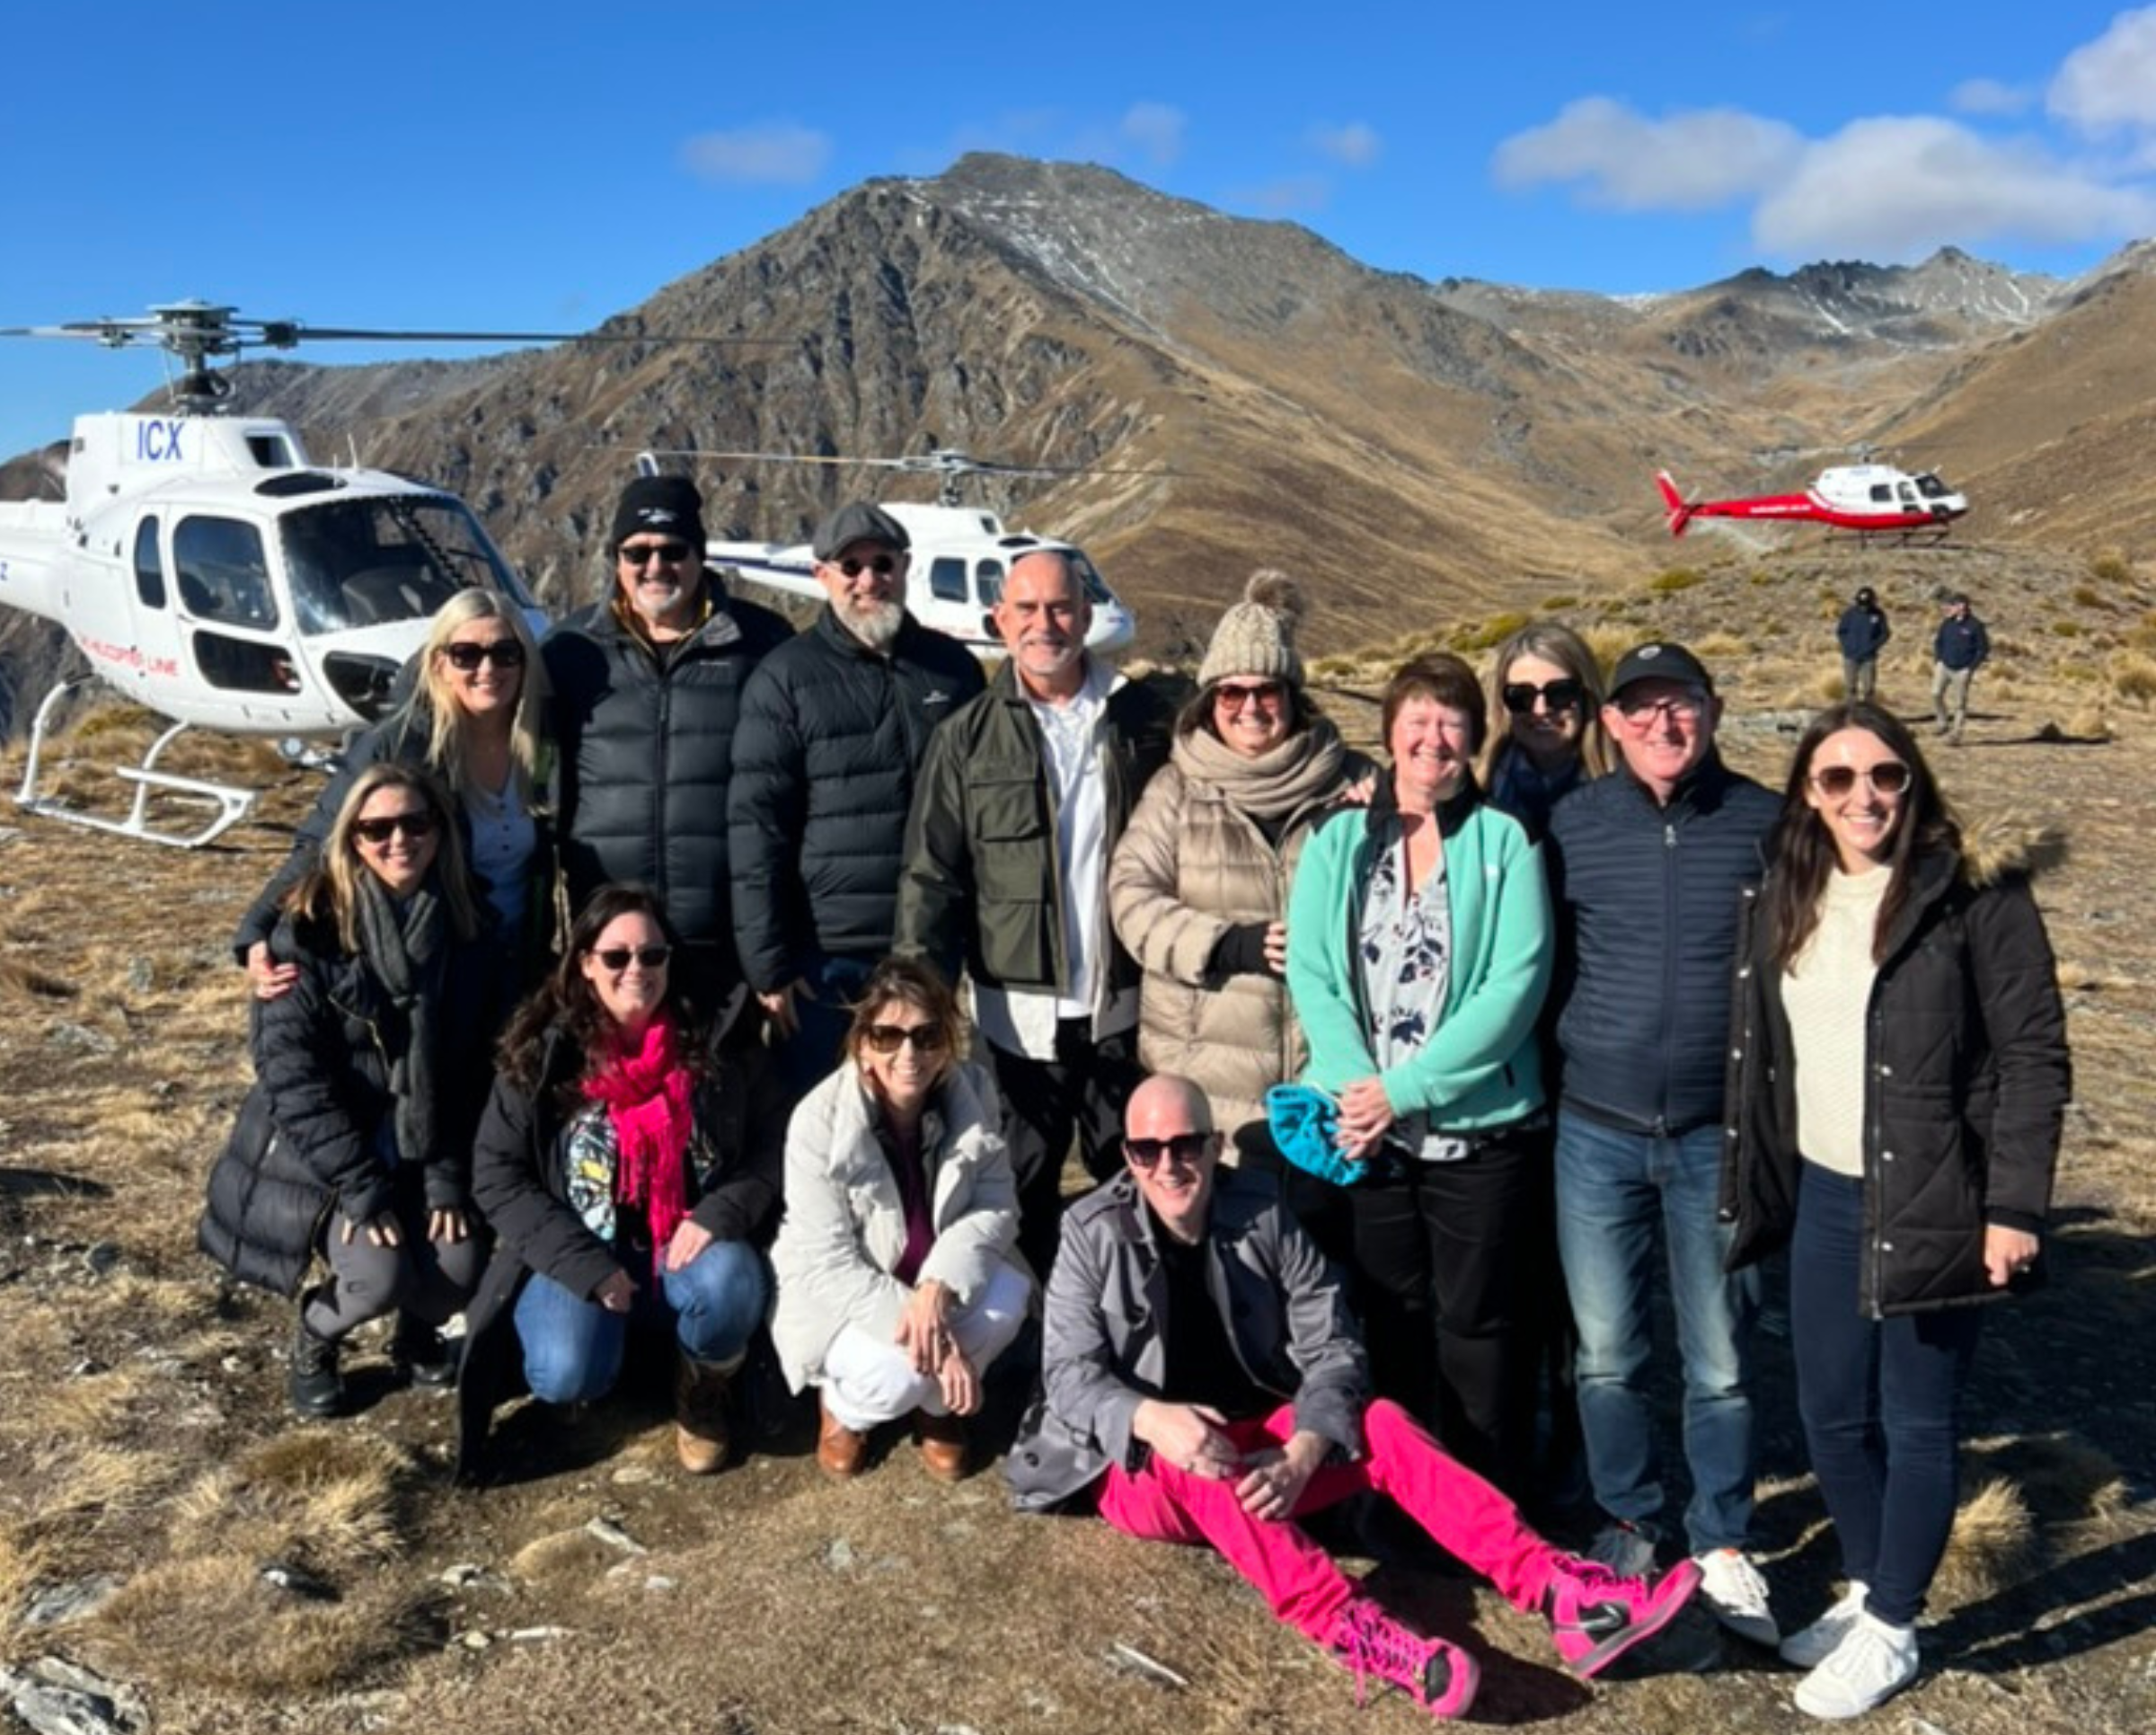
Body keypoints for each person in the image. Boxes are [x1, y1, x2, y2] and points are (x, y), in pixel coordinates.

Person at [1008, 1075, 1705, 1722]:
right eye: (1146, 1149)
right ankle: (1358, 1630)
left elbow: (1334, 1339)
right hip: (1138, 1467)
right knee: (1205, 1456)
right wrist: (1151, 1417)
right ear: (1127, 1155)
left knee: (1380, 1422)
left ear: (1213, 1145)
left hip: (1260, 1432)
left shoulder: (1262, 1209)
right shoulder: (1090, 1230)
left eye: (1185, 1144)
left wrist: (1309, 1444)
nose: (1168, 1166)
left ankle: (1559, 1591)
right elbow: (1069, 1373)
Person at [1725, 702, 2069, 1718]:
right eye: (1837, 779)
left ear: (1913, 782)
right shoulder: (1790, 890)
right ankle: (1875, 1589)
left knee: (1918, 1420)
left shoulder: (1974, 897)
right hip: (1825, 1189)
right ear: (1807, 794)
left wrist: (2015, 1206)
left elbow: (2033, 1057)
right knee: (1832, 1412)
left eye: (1885, 775)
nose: (1863, 796)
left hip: (1938, 1195)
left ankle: (1896, 1626)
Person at [1543, 640, 1784, 1645]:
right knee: (1605, 1350)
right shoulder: (1571, 823)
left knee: (1720, 1355)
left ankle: (1723, 1537)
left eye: (1677, 704)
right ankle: (1630, 1518)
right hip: (1594, 1126)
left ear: (1714, 708)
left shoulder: (1769, 821)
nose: (1660, 725)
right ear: (1610, 724)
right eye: (1638, 709)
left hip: (1716, 1135)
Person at [1283, 653, 1551, 1491]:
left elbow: (1518, 981)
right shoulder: (1337, 840)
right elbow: (1315, 973)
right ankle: (1405, 1493)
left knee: (1479, 1326)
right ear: (1390, 731)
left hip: (1476, 1136)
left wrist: (1408, 1089)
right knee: (1392, 1322)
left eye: (1453, 722)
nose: (1434, 739)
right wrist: (1361, 1089)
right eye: (1419, 720)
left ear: (1474, 737)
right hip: (1369, 1137)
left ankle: (1489, 1497)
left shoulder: (1505, 841)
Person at [898, 548, 1172, 1278]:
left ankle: (1129, 1346)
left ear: (1087, 617)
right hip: (1015, 1021)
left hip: (1124, 1011)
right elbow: (932, 875)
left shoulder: (1143, 721)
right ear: (1000, 621)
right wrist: (917, 1000)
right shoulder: (964, 737)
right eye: (1027, 610)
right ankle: (1030, 1355)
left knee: (1132, 1188)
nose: (1044, 624)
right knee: (1018, 1195)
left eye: (1060, 608)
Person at [457, 885, 785, 1477]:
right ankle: (615, 1358)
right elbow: (496, 1173)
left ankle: (699, 1383)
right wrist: (581, 1263)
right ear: (585, 963)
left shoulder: (714, 1035)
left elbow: (773, 1142)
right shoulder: (545, 1049)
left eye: (652, 955)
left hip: (686, 1243)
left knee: (733, 1286)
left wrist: (720, 1213)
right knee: (565, 1372)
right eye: (616, 956)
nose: (637, 969)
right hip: (583, 1246)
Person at [201, 765, 491, 1416]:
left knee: (460, 1271)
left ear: (440, 833)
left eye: (416, 823)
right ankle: (316, 1334)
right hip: (329, 1155)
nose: (399, 840)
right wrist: (361, 1186)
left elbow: (466, 1068)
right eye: (376, 828)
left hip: (421, 1142)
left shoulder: (466, 931)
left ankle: (416, 1332)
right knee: (375, 1276)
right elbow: (293, 1081)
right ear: (350, 839)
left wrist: (447, 1175)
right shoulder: (305, 933)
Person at [1108, 571, 1373, 1145]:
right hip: (1206, 1088)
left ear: (1292, 697)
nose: (1250, 706)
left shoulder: (1355, 783)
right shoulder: (1175, 791)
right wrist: (1229, 944)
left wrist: (1387, 821)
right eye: (1231, 691)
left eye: (1267, 690)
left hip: (1329, 1082)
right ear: (1209, 702)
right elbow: (1130, 898)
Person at [729, 501, 984, 1097]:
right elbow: (754, 826)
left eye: (882, 564)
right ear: (823, 575)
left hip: (930, 947)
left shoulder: (953, 672)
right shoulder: (784, 678)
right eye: (851, 566)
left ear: (905, 567)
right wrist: (768, 965)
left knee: (922, 1112)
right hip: (826, 958)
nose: (868, 580)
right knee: (827, 1118)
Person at [771, 958, 1029, 1482]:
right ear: (862, 1043)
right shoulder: (817, 1121)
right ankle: (844, 1408)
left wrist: (937, 1288)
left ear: (947, 1042)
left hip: (929, 1279)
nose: (908, 1053)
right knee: (895, 1375)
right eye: (888, 1036)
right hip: (845, 1298)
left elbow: (997, 1205)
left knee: (1010, 1298)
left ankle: (934, 1409)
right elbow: (829, 1261)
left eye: (926, 1035)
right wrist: (942, 1345)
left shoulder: (974, 1090)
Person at [235, 590, 555, 1008]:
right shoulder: (399, 742)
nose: (488, 668)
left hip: (522, 955)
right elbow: (322, 836)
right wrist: (257, 930)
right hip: (440, 963)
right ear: (439, 664)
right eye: (466, 655)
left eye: (505, 653)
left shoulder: (545, 742)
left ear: (524, 660)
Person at [544, 474, 792, 1005]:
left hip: (728, 942)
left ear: (700, 555)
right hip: (613, 949)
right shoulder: (568, 652)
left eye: (672, 550)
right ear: (616, 560)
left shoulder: (765, 644)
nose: (655, 567)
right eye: (637, 552)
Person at [1481, 621, 1613, 835]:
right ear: (1501, 703)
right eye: (1521, 696)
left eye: (1560, 693)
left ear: (1586, 695)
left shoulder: (1631, 788)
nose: (1541, 710)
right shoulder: (1478, 794)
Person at [1930, 592, 1990, 745]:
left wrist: (1971, 667)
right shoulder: (1947, 623)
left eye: (1952, 605)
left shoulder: (1975, 625)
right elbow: (1939, 641)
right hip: (1944, 665)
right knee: (1936, 693)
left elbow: (1983, 649)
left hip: (1962, 670)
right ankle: (1942, 722)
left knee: (1960, 703)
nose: (1947, 608)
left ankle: (1956, 733)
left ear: (1962, 606)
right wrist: (1938, 659)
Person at [1835, 587, 1891, 704]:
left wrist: (1873, 646)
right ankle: (1850, 711)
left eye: (1866, 604)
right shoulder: (1850, 613)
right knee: (1850, 687)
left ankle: (1869, 713)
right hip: (1850, 656)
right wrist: (1847, 645)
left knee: (1868, 688)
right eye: (1861, 604)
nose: (1864, 607)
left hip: (1868, 658)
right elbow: (1841, 631)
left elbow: (1885, 633)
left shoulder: (1878, 615)